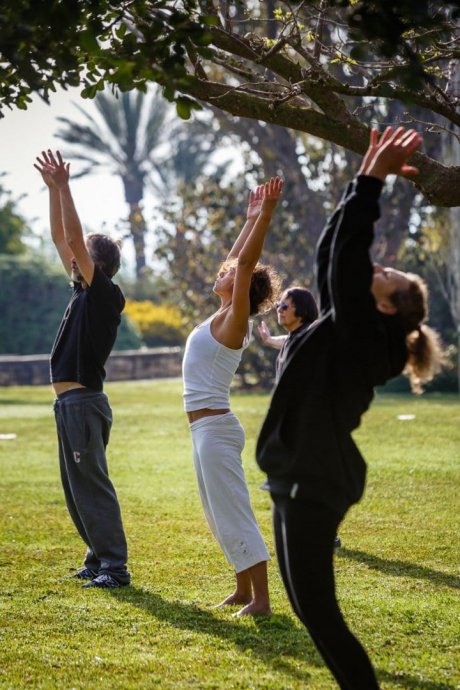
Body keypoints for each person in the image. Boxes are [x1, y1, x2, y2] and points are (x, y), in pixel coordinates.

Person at [255, 128, 443, 688]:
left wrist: (370, 183)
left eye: (385, 275)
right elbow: (329, 255)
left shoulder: (370, 340)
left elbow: (343, 260)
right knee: (313, 614)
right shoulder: (347, 327)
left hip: (314, 481)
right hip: (295, 476)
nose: (375, 269)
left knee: (323, 617)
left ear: (389, 305)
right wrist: (362, 174)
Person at [182, 177, 283, 616]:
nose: (222, 271)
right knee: (218, 513)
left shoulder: (234, 323)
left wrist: (265, 216)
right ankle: (242, 590)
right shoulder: (220, 315)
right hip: (204, 429)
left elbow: (243, 266)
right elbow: (237, 261)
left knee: (234, 510)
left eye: (231, 274)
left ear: (242, 290)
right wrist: (247, 219)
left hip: (217, 430)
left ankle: (260, 599)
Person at [34, 150, 130, 589]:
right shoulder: (81, 291)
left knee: (91, 484)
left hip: (84, 402)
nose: (72, 257)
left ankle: (115, 567)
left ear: (99, 265)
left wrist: (67, 187)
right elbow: (61, 237)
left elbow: (71, 241)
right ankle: (96, 558)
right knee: (76, 487)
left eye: (82, 255)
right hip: (69, 405)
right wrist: (54, 191)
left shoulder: (105, 295)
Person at [257, 286, 318, 382]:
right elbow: (289, 341)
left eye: (284, 306)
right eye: (278, 306)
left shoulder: (313, 336)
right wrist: (269, 339)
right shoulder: (294, 338)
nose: (279, 310)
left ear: (302, 309)